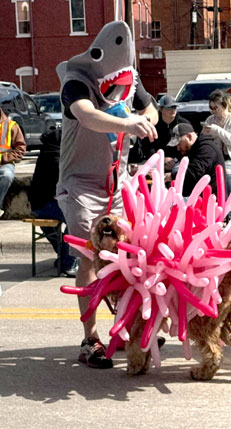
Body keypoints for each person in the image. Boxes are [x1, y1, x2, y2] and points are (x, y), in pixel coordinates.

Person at [55, 21, 158, 369]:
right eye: (113, 85)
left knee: (126, 256)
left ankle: (126, 324)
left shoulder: (128, 80)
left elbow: (150, 106)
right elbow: (87, 116)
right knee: (89, 256)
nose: (119, 91)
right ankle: (91, 338)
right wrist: (127, 123)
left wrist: (145, 117)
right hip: (81, 185)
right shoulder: (76, 82)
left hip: (116, 183)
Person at [29, 127, 78, 277]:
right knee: (77, 218)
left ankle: (63, 257)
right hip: (45, 205)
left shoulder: (49, 150)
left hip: (40, 205)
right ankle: (69, 263)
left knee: (75, 216)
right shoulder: (53, 155)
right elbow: (65, 177)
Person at [202, 89, 231, 196]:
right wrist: (204, 135)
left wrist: (218, 131)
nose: (213, 111)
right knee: (203, 173)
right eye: (211, 108)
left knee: (227, 174)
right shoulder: (210, 120)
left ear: (224, 106)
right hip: (214, 158)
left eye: (215, 108)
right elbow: (204, 142)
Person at [129, 94, 191, 172]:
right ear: (161, 109)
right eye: (169, 107)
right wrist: (161, 159)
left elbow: (188, 147)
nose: (172, 110)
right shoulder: (153, 124)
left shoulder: (183, 125)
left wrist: (174, 160)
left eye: (174, 107)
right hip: (156, 160)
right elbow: (147, 145)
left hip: (178, 161)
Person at [166, 123, 225, 197]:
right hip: (196, 195)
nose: (178, 148)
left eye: (179, 143)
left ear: (189, 137)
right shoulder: (193, 148)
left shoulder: (207, 148)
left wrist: (170, 176)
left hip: (209, 198)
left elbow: (194, 173)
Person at [0, 107, 26, 217]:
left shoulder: (11, 125)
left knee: (6, 175)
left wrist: (4, 158)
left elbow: (20, 149)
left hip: (4, 163)